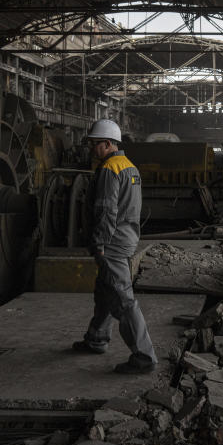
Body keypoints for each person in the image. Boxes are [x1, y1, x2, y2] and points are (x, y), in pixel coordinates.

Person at [71, 119, 158, 374]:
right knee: (105, 290)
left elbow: (106, 210)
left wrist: (99, 243)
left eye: (95, 144)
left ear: (108, 144)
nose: (91, 149)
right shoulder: (130, 167)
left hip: (112, 242)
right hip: (126, 238)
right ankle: (97, 338)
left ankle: (144, 356)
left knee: (122, 298)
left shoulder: (110, 169)